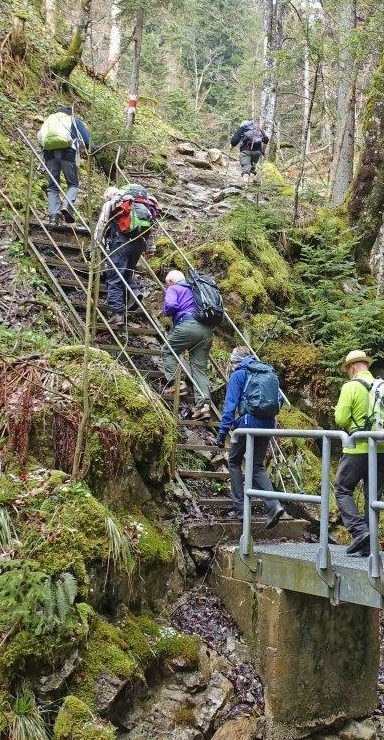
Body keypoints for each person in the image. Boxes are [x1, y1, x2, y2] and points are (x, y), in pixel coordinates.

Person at [216, 346, 285, 529]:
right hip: (268, 424)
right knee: (256, 466)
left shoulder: (239, 375)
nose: (231, 365)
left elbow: (230, 405)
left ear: (237, 361)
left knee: (234, 461)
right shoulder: (267, 371)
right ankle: (274, 505)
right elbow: (280, 401)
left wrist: (223, 433)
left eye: (232, 362)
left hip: (247, 424)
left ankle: (240, 509)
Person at [332, 350, 384, 556]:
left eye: (348, 368)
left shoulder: (351, 387)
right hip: (382, 450)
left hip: (357, 449)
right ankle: (369, 544)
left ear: (353, 367)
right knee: (372, 497)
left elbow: (340, 419)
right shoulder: (382, 387)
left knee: (342, 489)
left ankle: (359, 531)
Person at [94, 184, 157, 324]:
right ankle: (135, 294)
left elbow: (101, 225)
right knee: (127, 273)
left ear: (108, 196)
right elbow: (151, 227)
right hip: (139, 244)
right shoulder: (140, 205)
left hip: (121, 243)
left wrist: (96, 244)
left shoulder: (112, 203)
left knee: (114, 276)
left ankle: (117, 313)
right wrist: (151, 248)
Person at [160, 270, 214, 421]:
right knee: (198, 367)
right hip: (207, 330)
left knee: (167, 351)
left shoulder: (174, 288)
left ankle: (178, 384)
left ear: (171, 281)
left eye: (166, 284)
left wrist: (166, 311)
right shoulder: (197, 289)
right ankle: (203, 407)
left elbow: (171, 305)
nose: (166, 287)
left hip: (188, 325)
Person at [36, 105, 90, 224]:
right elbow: (86, 140)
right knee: (73, 184)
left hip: (49, 154)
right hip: (68, 154)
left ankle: (54, 215)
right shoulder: (74, 121)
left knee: (52, 186)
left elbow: (40, 137)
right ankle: (67, 205)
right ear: (70, 114)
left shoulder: (50, 121)